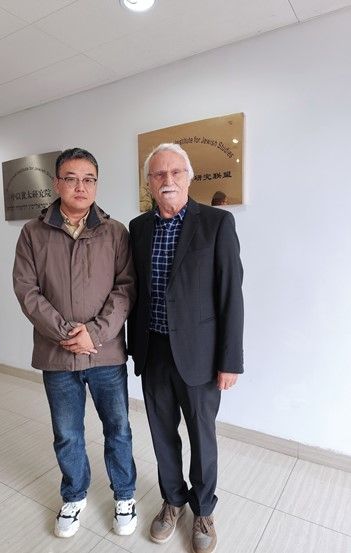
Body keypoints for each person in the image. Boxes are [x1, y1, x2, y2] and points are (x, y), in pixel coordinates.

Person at [13, 148, 137, 539]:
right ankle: (74, 495)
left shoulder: (115, 232)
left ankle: (125, 495)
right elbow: (27, 290)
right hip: (57, 354)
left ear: (96, 184)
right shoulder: (33, 233)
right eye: (71, 178)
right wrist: (67, 332)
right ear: (56, 183)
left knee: (118, 429)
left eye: (88, 179)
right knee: (67, 433)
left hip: (105, 353)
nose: (80, 186)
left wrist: (94, 333)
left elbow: (125, 288)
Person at [128, 143, 243, 553]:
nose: (168, 180)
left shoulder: (217, 223)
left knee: (201, 436)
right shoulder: (138, 228)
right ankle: (173, 500)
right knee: (162, 434)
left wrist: (230, 361)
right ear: (149, 182)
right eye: (159, 174)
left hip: (200, 355)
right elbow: (134, 291)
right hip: (153, 350)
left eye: (176, 172)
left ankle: (204, 509)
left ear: (189, 177)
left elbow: (230, 295)